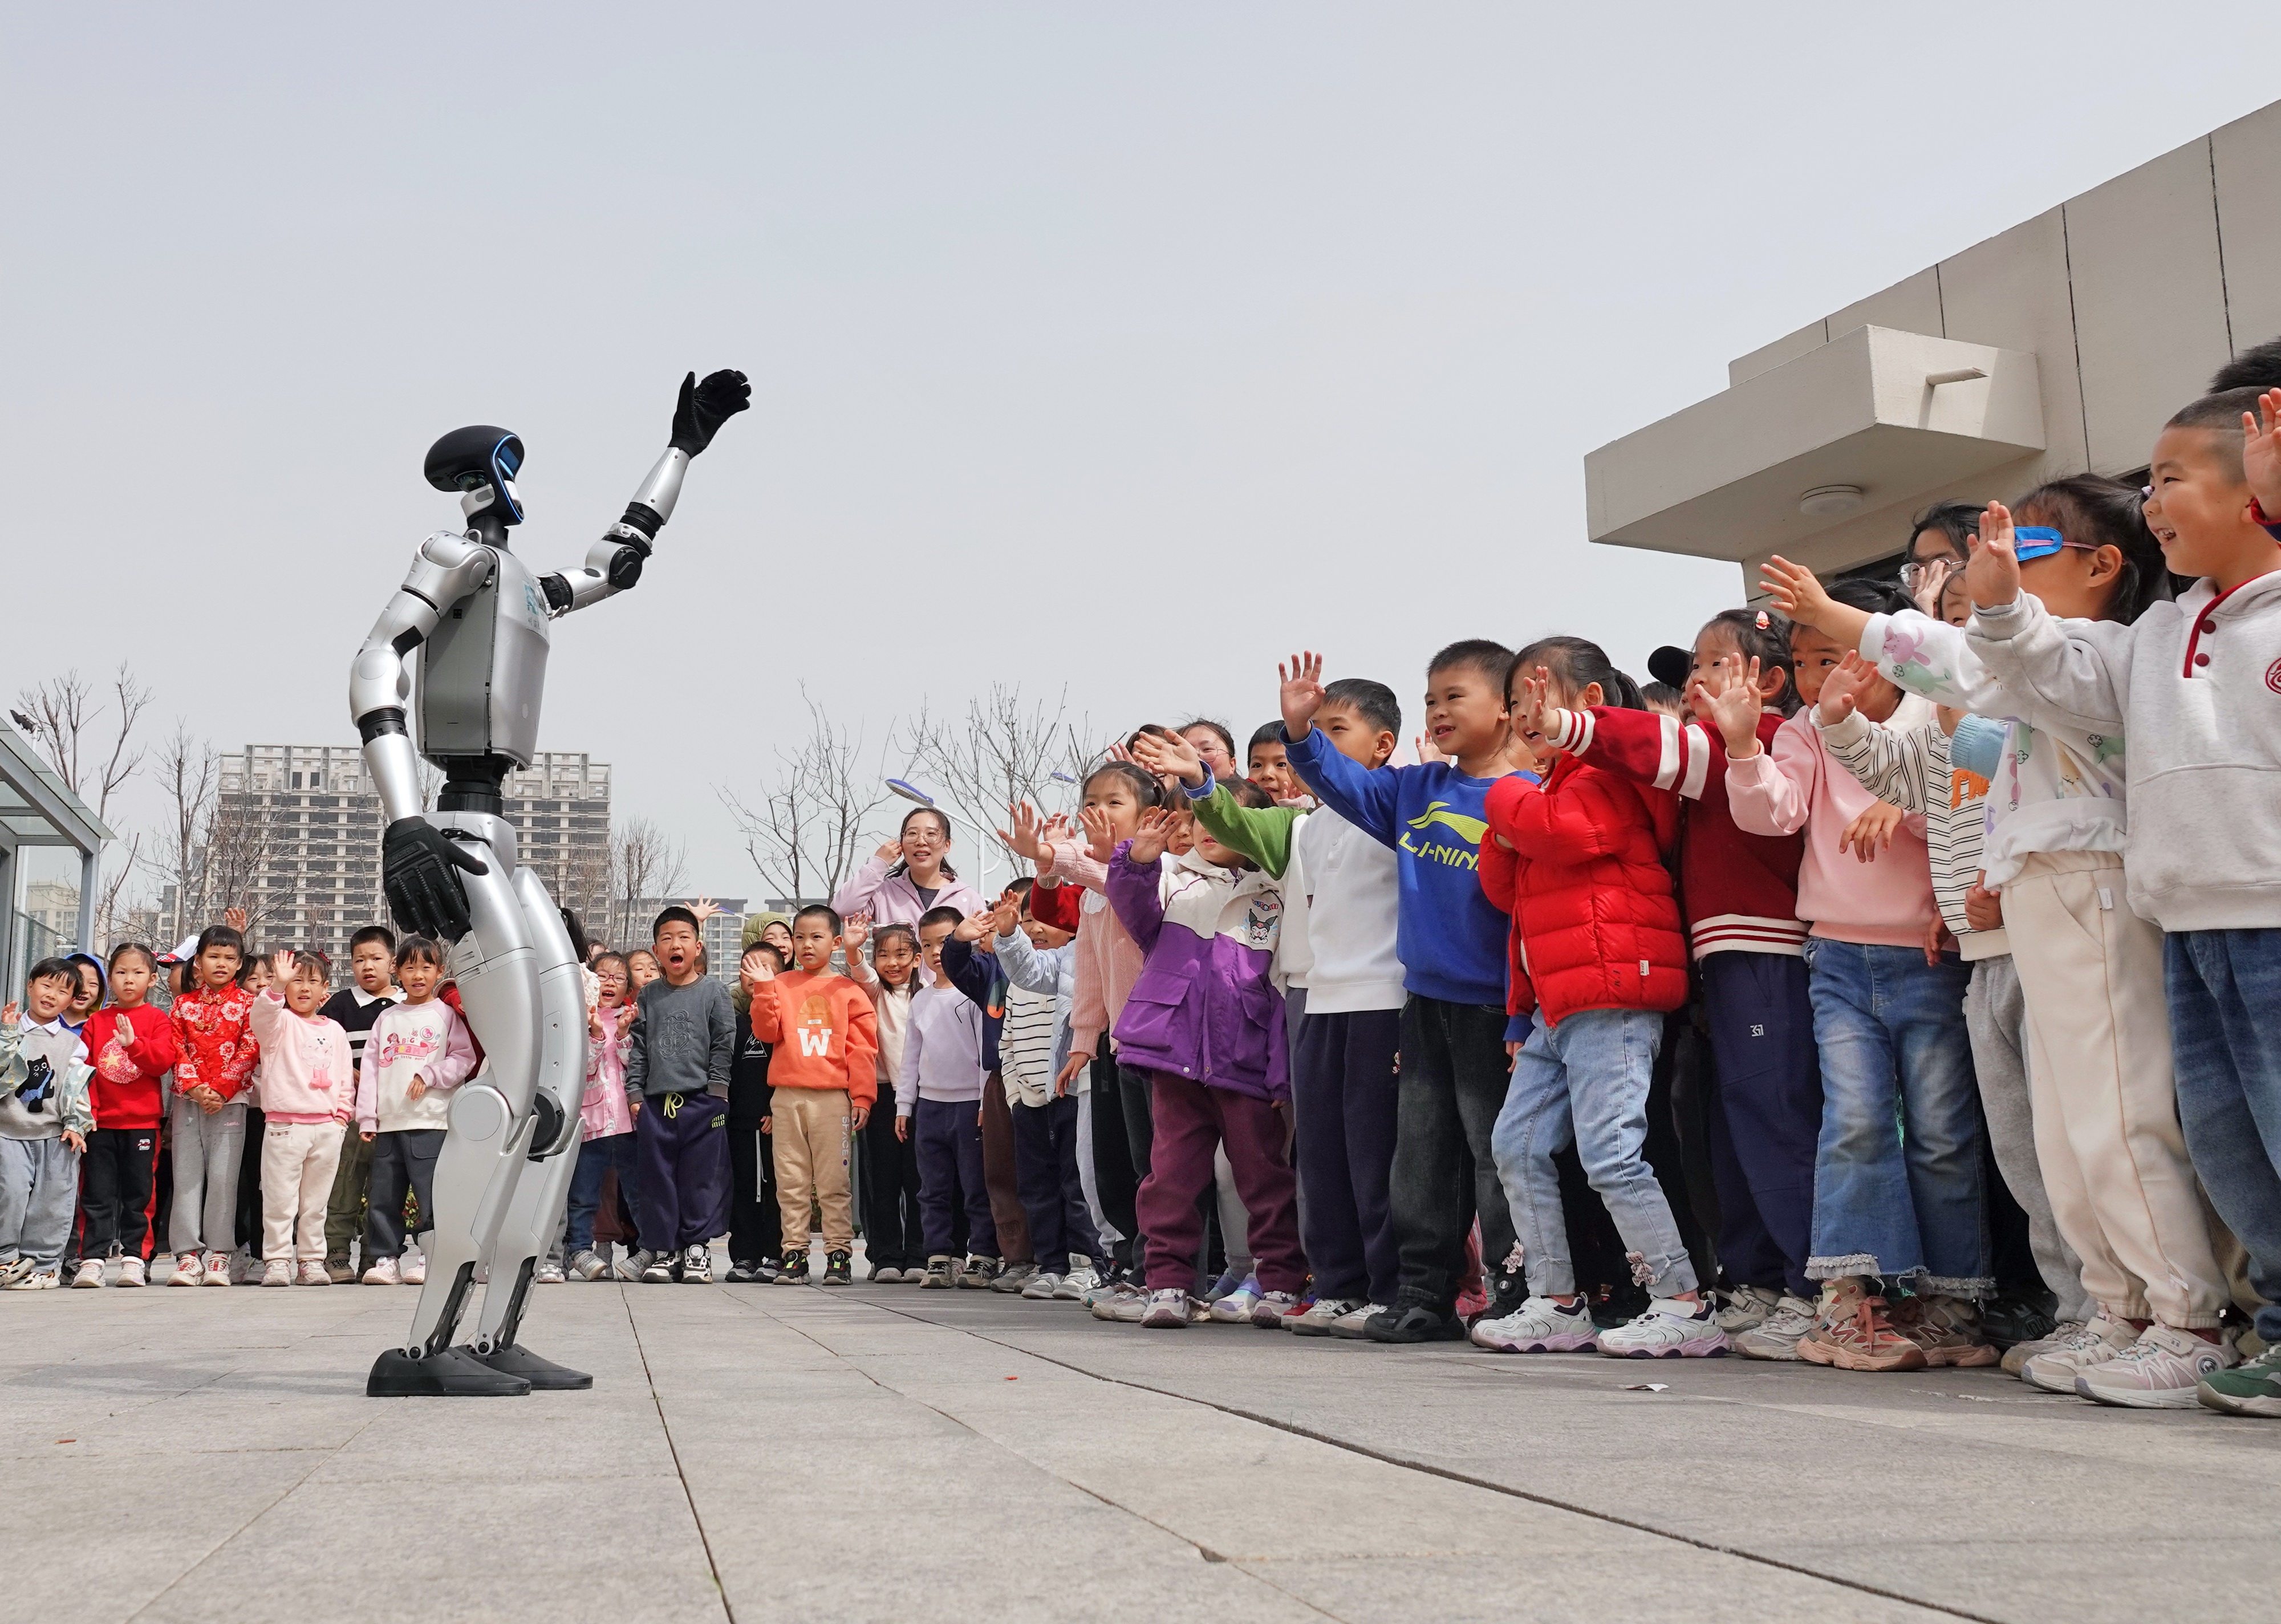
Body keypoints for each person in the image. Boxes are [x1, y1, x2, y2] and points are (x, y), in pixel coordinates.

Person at [1766, 478, 2193, 1388]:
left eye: (2020, 555)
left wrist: (1841, 613)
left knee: (2118, 1117)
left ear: (2104, 566)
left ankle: (2182, 1318)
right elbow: (1951, 779)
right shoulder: (2005, 692)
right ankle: (2107, 1310)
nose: (1996, 580)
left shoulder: (2098, 654)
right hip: (2017, 913)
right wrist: (1846, 718)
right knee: (2061, 1137)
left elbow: (1977, 665)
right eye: (1978, 574)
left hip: (2091, 890)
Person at [1962, 387, 2281, 1415]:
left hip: (2270, 913)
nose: (2153, 501)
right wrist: (2006, 603)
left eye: (2173, 477)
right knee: (2231, 1143)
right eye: (2147, 482)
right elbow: (2054, 670)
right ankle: (2267, 1325)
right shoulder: (2157, 634)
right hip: (2189, 919)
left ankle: (2198, 1316)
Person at [1714, 579, 1992, 1373]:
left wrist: (1905, 812)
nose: (1816, 679)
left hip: (1929, 957)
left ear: (1885, 648)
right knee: (1857, 1124)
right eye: (1802, 662)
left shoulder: (1933, 712)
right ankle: (1853, 1300)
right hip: (1835, 956)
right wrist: (1743, 747)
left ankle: (1951, 1303)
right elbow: (1775, 814)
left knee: (1941, 1133)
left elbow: (1977, 812)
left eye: (1831, 656)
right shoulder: (1806, 731)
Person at [1553, 611, 1824, 1354]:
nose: (1696, 682)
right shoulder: (1716, 746)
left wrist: (1579, 726)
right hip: (1718, 965)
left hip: (1764, 955)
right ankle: (1760, 1280)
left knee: (1773, 1122)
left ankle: (1811, 1288)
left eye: (1714, 665)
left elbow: (1660, 746)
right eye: (1692, 670)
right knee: (1730, 1134)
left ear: (1768, 683)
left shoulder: (1758, 743)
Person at [1132, 682, 1407, 1338]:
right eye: (1311, 735)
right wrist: (1202, 783)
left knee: (1376, 1152)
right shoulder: (1298, 827)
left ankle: (1398, 1283)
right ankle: (1338, 1285)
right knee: (1322, 1153)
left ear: (1384, 746)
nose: (1313, 749)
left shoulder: (1400, 805)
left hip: (1385, 995)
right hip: (1312, 997)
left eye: (1333, 733)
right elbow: (1234, 824)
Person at [1276, 643, 1530, 1343]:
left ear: (1507, 709)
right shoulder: (1415, 788)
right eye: (1430, 700)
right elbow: (1344, 786)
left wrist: (1522, 1013)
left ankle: (1515, 1291)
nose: (1439, 711)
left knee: (1495, 1153)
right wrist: (1302, 735)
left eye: (1455, 696)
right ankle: (1422, 1292)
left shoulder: (1526, 796)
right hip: (1422, 1005)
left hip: (1494, 1009)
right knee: (1419, 1154)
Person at [1472, 642, 1715, 1356]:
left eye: (1537, 697)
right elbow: (1503, 890)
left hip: (1611, 988)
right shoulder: (1548, 785)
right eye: (1516, 703)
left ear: (1593, 703)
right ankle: (1555, 1300)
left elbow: (1561, 835)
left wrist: (1506, 790)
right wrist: (1517, 807)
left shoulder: (1609, 772)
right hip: (1557, 999)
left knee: (1611, 1152)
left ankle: (1682, 1300)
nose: (1524, 714)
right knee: (1514, 1145)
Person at [1105, 803, 1304, 1329]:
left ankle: (1281, 1280)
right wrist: (1136, 860)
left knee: (1263, 1176)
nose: (1210, 831)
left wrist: (1281, 1072)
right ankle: (1167, 1283)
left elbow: (1283, 988)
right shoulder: (1175, 881)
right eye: (1202, 821)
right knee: (1169, 1177)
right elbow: (1132, 906)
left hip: (1246, 1062)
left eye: (1227, 821)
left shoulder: (1276, 893)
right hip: (1175, 1059)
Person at [1006, 764, 1164, 1313]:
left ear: (1150, 815)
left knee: (1159, 1163)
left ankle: (1168, 1272)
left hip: (1163, 1042)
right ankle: (1139, 1263)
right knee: (1119, 1163)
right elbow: (1091, 973)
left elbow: (1117, 879)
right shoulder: (1097, 893)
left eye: (1113, 802)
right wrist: (1082, 1041)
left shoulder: (1155, 871)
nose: (1097, 811)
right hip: (1116, 1045)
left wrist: (1051, 859)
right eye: (1090, 801)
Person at [746, 903, 876, 1285]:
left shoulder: (848, 991)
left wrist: (863, 1097)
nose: (806, 945)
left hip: (832, 1097)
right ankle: (794, 1254)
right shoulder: (782, 984)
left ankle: (838, 1254)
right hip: (786, 1095)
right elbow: (767, 1032)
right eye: (799, 937)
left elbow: (863, 1048)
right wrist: (764, 989)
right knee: (791, 1181)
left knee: (834, 1181)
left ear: (836, 942)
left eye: (816, 937)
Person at [989, 885, 1107, 1299]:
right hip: (1030, 1098)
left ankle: (1087, 1261)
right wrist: (1014, 1094)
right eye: (1029, 920)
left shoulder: (1083, 960)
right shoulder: (1030, 977)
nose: (1038, 928)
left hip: (1074, 1092)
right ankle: (1051, 1263)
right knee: (1036, 1185)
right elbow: (1006, 1043)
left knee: (1078, 1181)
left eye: (1050, 919)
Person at [352, 936, 475, 1286]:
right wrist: (367, 1116)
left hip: (432, 1121)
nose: (418, 975)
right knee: (384, 1195)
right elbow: (372, 1070)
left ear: (440, 971)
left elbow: (463, 1060)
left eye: (426, 967)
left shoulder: (446, 1015)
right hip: (390, 1123)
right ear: (398, 971)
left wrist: (429, 1073)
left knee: (431, 1193)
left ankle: (432, 1255)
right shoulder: (386, 1018)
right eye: (410, 967)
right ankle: (384, 1258)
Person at [625, 907, 737, 1285]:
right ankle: (666, 1249)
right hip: (657, 1104)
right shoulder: (649, 995)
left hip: (703, 1102)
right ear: (657, 950)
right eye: (667, 939)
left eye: (684, 938)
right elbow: (638, 1047)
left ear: (698, 947)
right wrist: (635, 1094)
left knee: (701, 1178)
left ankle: (697, 1250)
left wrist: (718, 1092)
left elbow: (724, 1043)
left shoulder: (714, 991)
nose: (676, 945)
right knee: (658, 1180)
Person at [897, 907, 996, 1288]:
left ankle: (983, 1255)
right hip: (931, 1107)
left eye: (945, 941)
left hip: (970, 1105)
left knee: (975, 1185)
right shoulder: (920, 1001)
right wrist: (905, 1106)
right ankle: (940, 1256)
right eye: (928, 944)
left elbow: (987, 1054)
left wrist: (986, 1103)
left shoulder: (973, 992)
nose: (938, 951)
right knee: (932, 1187)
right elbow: (911, 1057)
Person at [73, 942, 178, 1288]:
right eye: (121, 972)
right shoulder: (96, 1022)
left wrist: (134, 1044)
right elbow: (84, 1073)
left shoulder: (158, 1019)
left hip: (142, 1124)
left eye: (137, 973)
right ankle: (93, 1259)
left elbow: (162, 1062)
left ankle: (136, 1258)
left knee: (139, 1194)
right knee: (97, 1194)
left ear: (151, 979)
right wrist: (91, 1117)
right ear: (110, 979)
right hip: (100, 1125)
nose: (129, 980)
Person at [248, 949, 352, 1287]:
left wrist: (340, 1119)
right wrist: (276, 986)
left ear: (325, 989)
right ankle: (277, 1260)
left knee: (316, 1203)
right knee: (279, 1200)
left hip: (325, 1127)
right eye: (297, 980)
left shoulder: (336, 1030)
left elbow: (343, 1078)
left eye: (312, 981)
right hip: (285, 1126)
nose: (304, 988)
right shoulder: (280, 1023)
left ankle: (310, 1260)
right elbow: (261, 1017)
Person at [164, 924, 259, 1288]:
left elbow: (250, 1049)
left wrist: (220, 1090)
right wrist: (196, 1088)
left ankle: (220, 1253)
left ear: (239, 965)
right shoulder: (182, 1004)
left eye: (229, 958)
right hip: (188, 1101)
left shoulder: (249, 1004)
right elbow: (175, 1048)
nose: (221, 964)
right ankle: (187, 1255)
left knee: (224, 1177)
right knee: (187, 1177)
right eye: (213, 956)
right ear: (198, 962)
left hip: (231, 1102)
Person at [0, 959, 96, 1289]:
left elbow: (75, 1088)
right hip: (9, 1131)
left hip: (55, 1135)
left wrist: (76, 1124)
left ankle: (44, 1266)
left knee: (53, 1199)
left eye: (62, 991)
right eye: (46, 985)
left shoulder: (73, 1043)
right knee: (9, 1192)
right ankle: (6, 1259)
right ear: (30, 985)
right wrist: (8, 1035)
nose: (51, 995)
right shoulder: (9, 1029)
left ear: (72, 1000)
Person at [845, 919, 925, 1282]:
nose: (892, 963)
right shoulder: (876, 993)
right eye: (883, 955)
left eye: (901, 954)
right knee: (883, 1179)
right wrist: (853, 949)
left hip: (925, 1097)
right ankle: (885, 1255)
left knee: (920, 1179)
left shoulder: (928, 994)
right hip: (884, 1097)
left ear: (917, 958)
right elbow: (861, 973)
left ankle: (920, 1254)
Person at [319, 924, 400, 1282]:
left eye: (376, 959)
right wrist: (348, 1074)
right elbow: (320, 1047)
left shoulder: (407, 1004)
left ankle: (375, 1254)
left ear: (393, 962)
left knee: (385, 1186)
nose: (368, 967)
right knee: (345, 1181)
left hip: (395, 1114)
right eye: (359, 960)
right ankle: (336, 1252)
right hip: (351, 1113)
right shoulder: (340, 1005)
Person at [567, 952, 640, 1281]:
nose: (610, 982)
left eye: (619, 978)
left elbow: (635, 1065)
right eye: (603, 976)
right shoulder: (576, 1018)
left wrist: (623, 1033)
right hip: (591, 1122)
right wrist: (595, 1033)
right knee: (584, 1191)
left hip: (628, 1122)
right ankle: (579, 1248)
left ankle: (646, 1249)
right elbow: (581, 1069)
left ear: (628, 988)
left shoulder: (633, 1017)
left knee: (635, 1191)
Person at [723, 943, 783, 1283]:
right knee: (743, 1190)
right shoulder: (732, 1022)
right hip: (738, 1122)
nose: (754, 975)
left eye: (765, 968)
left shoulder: (781, 1020)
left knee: (774, 1189)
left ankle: (775, 1254)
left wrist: (775, 1107)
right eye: (748, 967)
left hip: (771, 1120)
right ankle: (744, 1255)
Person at [833, 806, 984, 928]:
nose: (921, 841)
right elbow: (842, 910)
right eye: (912, 834)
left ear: (947, 845)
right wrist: (878, 863)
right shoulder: (885, 893)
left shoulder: (968, 898)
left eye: (931, 834)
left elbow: (985, 950)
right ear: (901, 844)